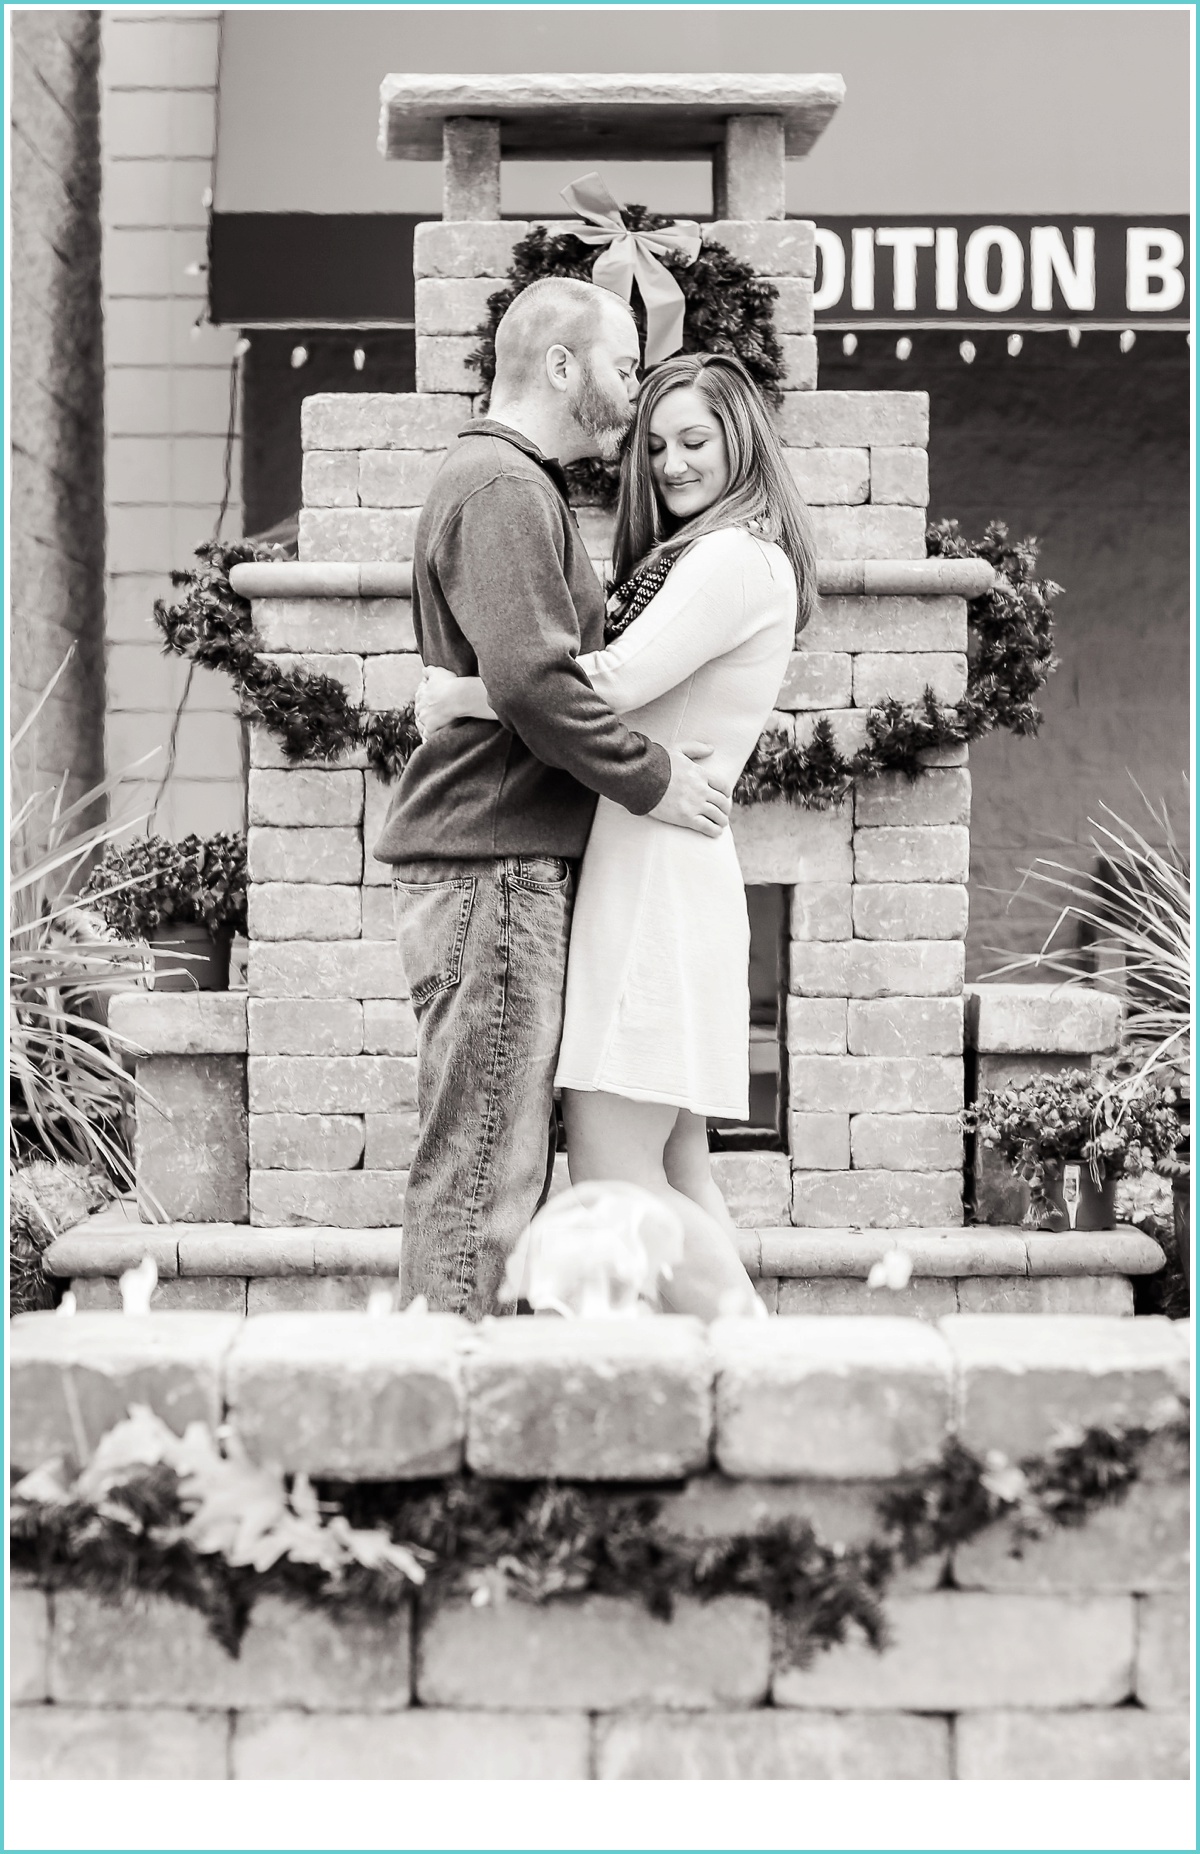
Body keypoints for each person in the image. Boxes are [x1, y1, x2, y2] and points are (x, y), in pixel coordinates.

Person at [417, 349, 817, 1319]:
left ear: (744, 442)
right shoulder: (717, 553)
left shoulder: (730, 555)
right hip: (664, 866)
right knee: (679, 1169)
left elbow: (613, 684)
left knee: (609, 1172)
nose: (674, 462)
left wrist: (463, 693)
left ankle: (758, 1351)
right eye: (658, 443)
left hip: (654, 879)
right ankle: (738, 1377)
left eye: (697, 440)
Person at [374, 277, 737, 1321]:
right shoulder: (500, 488)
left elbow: (525, 680)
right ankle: (443, 1422)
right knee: (485, 1168)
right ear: (565, 366)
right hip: (495, 870)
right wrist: (659, 782)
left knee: (490, 1159)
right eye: (625, 366)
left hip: (499, 870)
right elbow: (540, 682)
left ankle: (456, 1402)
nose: (635, 390)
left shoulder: (503, 483)